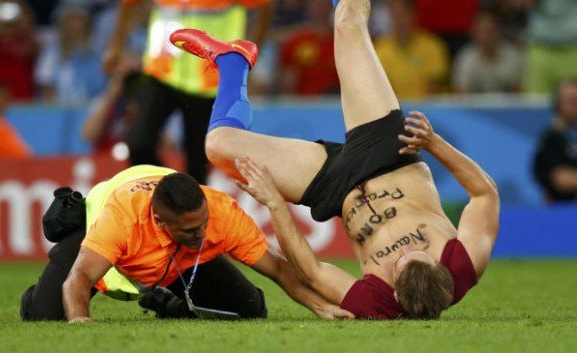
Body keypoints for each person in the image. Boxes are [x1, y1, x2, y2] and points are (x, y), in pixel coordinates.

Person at [169, 0, 500, 319]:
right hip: (389, 153)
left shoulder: (376, 304)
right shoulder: (461, 264)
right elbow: (485, 194)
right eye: (417, 253)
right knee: (347, 22)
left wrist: (275, 204)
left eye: (398, 263)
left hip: (336, 188)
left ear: (396, 294)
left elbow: (312, 271)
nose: (401, 252)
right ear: (438, 267)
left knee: (218, 146)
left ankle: (231, 62)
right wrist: (435, 144)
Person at [20, 164, 352, 323]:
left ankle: (166, 303)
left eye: (203, 224)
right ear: (161, 222)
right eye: (191, 230)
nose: (201, 234)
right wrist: (80, 320)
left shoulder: (219, 213)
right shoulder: (122, 219)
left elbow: (279, 269)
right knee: (44, 315)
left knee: (250, 309)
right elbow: (79, 278)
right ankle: (33, 297)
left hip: (174, 263)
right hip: (92, 233)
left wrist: (322, 307)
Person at [102, 0, 273, 184]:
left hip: (209, 81)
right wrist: (116, 45)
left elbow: (266, 8)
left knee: (198, 168)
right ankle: (166, 189)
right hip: (161, 72)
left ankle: (183, 199)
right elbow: (129, 3)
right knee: (138, 144)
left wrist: (246, 57)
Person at [532, 78, 577, 202]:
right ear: (558, 103)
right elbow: (561, 179)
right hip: (561, 210)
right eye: (572, 101)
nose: (575, 106)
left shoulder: (572, 136)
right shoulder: (551, 138)